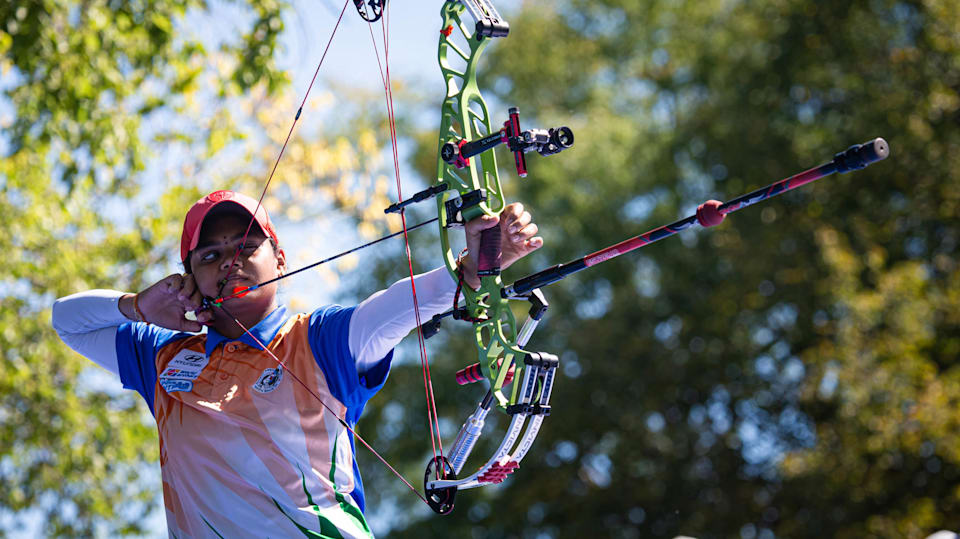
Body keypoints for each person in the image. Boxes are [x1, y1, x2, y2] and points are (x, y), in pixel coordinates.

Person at [52, 190, 542, 538]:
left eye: (246, 247)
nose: (229, 261)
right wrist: (136, 307)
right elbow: (66, 319)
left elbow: (396, 308)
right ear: (189, 278)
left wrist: (473, 268)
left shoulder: (316, 339)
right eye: (210, 254)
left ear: (279, 259)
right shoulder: (162, 356)